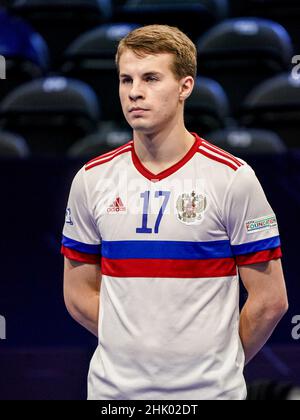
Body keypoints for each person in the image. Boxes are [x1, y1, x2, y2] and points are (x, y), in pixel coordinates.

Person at [61, 25, 288, 400]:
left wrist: (215, 362)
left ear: (185, 86)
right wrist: (137, 348)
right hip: (113, 397)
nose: (135, 92)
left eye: (151, 78)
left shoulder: (233, 179)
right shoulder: (90, 179)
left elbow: (270, 301)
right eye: (126, 79)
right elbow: (77, 294)